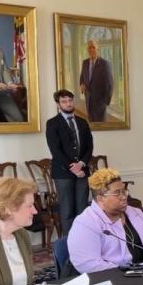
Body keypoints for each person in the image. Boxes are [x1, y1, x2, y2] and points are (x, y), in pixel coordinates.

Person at [68, 168, 143, 273]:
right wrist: (127, 272)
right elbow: (88, 265)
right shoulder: (85, 223)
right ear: (100, 198)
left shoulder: (135, 213)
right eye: (117, 193)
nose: (124, 197)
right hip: (116, 277)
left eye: (124, 191)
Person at [45, 89, 93, 234]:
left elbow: (89, 146)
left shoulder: (83, 122)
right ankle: (69, 244)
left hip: (82, 171)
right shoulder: (52, 123)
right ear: (58, 104)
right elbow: (55, 149)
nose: (68, 104)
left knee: (82, 209)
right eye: (64, 101)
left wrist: (82, 164)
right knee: (67, 210)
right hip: (62, 173)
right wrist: (72, 167)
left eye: (70, 100)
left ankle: (84, 239)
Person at [79, 40, 114, 123]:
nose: (91, 49)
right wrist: (82, 84)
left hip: (100, 104)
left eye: (93, 47)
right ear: (87, 50)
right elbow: (82, 77)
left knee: (101, 128)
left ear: (98, 49)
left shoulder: (105, 64)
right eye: (89, 48)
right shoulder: (85, 63)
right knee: (92, 126)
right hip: (89, 102)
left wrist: (105, 103)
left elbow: (110, 85)